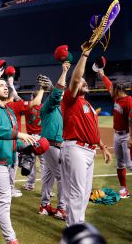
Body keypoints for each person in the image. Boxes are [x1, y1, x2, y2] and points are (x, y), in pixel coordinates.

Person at [0, 77, 36, 244]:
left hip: (6, 160)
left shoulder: (9, 112)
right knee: (4, 199)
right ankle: (11, 240)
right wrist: (18, 135)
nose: (5, 88)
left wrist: (25, 146)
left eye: (6, 85)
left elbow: (11, 141)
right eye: (0, 85)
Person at [60, 42, 111, 226]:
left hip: (89, 150)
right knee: (76, 192)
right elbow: (75, 79)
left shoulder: (87, 105)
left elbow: (93, 131)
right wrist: (85, 55)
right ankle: (74, 231)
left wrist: (103, 148)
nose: (84, 82)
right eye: (83, 81)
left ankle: (77, 224)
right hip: (76, 148)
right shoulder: (70, 99)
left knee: (84, 191)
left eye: (85, 82)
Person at [38, 61, 71, 221]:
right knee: (63, 177)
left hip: (51, 144)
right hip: (51, 144)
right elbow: (57, 94)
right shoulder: (49, 105)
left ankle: (44, 206)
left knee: (48, 177)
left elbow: (59, 96)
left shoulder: (58, 107)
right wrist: (64, 72)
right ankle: (61, 209)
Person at [97, 69, 132, 198]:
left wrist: (131, 138)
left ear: (119, 90)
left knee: (130, 165)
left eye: (113, 90)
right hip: (117, 135)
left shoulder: (129, 102)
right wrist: (102, 74)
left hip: (127, 136)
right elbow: (108, 84)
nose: (111, 91)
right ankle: (124, 189)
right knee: (120, 163)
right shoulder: (116, 97)